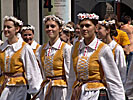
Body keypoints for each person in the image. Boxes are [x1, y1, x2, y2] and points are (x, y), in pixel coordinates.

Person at [67, 13, 125, 100]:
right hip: (79, 93)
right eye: (82, 26)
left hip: (95, 93)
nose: (84, 29)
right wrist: (69, 96)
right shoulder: (75, 47)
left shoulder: (103, 49)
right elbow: (72, 76)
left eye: (87, 26)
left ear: (96, 27)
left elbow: (113, 79)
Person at [0, 16, 43, 100]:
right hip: (4, 86)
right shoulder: (2, 48)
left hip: (19, 87)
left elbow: (32, 70)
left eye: (9, 27)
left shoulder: (24, 48)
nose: (5, 29)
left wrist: (36, 92)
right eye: (4, 27)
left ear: (17, 29)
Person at [33, 15, 71, 100]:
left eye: (53, 26)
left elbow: (69, 72)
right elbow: (40, 72)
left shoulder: (65, 48)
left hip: (61, 89)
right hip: (47, 87)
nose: (49, 29)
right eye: (47, 27)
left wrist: (71, 92)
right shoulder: (41, 49)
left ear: (60, 29)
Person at [98, 19, 127, 84]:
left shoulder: (117, 48)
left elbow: (122, 70)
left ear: (107, 30)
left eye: (100, 28)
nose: (97, 31)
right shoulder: (98, 47)